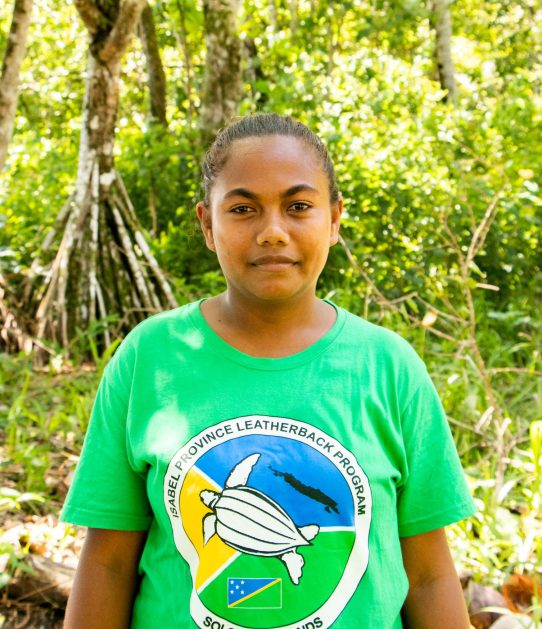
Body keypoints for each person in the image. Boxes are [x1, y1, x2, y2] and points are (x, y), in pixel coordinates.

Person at [61, 113, 475, 629]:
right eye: (242, 209)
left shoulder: (388, 367)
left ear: (335, 219)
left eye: (298, 206)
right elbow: (107, 562)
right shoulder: (150, 359)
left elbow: (431, 575)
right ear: (207, 225)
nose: (273, 232)